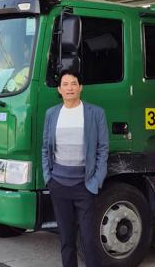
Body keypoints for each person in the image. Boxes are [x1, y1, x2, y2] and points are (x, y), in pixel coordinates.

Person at [41, 70, 108, 267]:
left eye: (74, 83)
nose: (70, 88)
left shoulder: (95, 113)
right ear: (59, 89)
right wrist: (48, 178)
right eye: (66, 84)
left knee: (89, 239)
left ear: (80, 87)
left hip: (85, 186)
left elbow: (103, 149)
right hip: (59, 186)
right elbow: (45, 148)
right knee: (66, 240)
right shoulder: (52, 114)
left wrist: (96, 181)